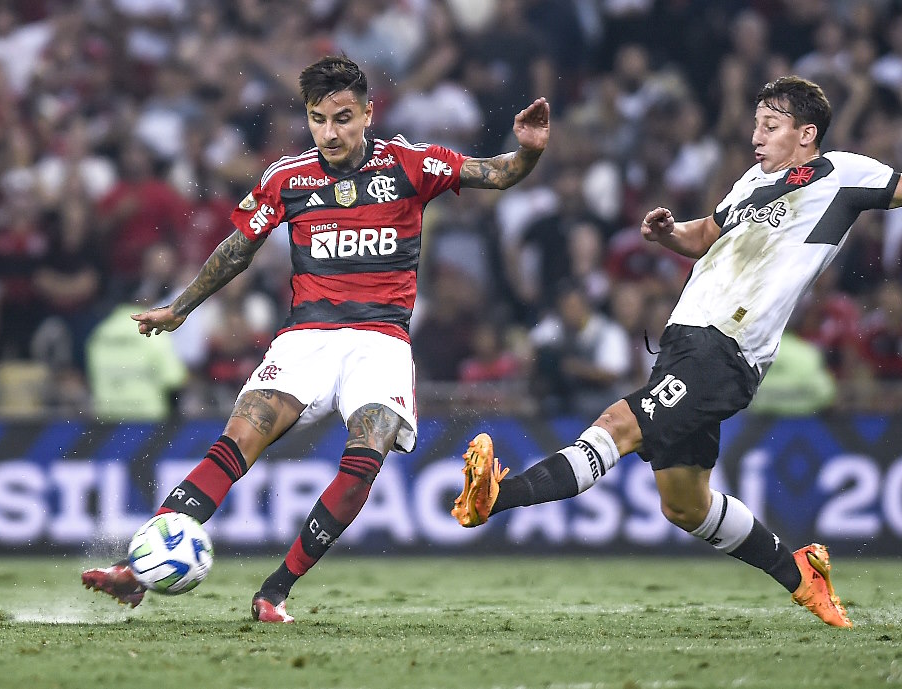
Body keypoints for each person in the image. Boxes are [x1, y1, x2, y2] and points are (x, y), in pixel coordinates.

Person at [451, 75, 902, 629]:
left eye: (771, 126)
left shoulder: (843, 176)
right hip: (685, 340)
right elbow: (706, 237)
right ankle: (803, 576)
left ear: (807, 134)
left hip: (727, 349)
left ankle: (496, 497)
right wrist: (669, 235)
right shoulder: (753, 181)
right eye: (756, 124)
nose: (757, 136)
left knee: (619, 425)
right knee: (684, 504)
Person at [81, 55, 550, 623]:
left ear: (368, 113)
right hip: (306, 338)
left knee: (364, 458)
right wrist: (180, 309)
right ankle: (138, 570)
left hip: (380, 342)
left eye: (343, 118)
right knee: (238, 439)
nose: (330, 132)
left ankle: (273, 592)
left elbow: (496, 173)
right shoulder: (288, 177)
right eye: (318, 119)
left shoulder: (410, 164)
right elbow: (238, 249)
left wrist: (526, 151)